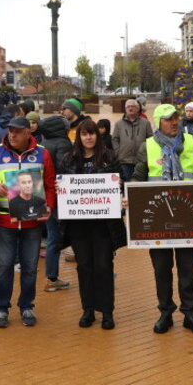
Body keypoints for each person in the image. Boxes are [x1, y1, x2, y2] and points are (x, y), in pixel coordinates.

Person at [133, 103, 193, 336]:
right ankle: (165, 312)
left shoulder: (192, 143)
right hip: (158, 223)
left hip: (189, 220)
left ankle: (190, 314)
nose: (174, 122)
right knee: (161, 269)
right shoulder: (147, 147)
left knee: (188, 269)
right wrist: (131, 198)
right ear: (158, 123)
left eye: (176, 118)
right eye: (168, 119)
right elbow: (137, 179)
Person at [0, 116, 56, 329]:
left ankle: (26, 305)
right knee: (4, 265)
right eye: (10, 131)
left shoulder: (42, 153)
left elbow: (50, 184)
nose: (12, 135)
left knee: (30, 267)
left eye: (17, 131)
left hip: (32, 222)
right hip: (5, 220)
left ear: (28, 133)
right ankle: (1, 308)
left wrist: (50, 206)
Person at [61, 119, 124, 330]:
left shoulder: (109, 157)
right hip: (78, 224)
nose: (88, 137)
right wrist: (59, 188)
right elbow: (63, 187)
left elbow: (119, 183)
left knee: (104, 266)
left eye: (92, 134)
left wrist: (120, 187)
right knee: (85, 266)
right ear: (78, 137)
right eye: (84, 134)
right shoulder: (68, 159)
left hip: (103, 223)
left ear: (97, 135)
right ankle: (87, 309)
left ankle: (107, 311)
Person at [37, 114, 72, 292]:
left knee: (52, 236)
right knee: (59, 236)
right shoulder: (63, 143)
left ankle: (51, 276)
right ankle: (52, 278)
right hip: (61, 197)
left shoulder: (43, 143)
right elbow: (66, 168)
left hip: (46, 195)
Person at [113, 99, 152, 182]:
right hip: (125, 160)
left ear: (137, 108)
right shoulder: (118, 124)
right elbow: (115, 139)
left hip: (141, 161)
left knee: (140, 186)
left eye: (132, 106)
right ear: (125, 109)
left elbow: (150, 139)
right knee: (126, 185)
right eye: (128, 107)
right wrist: (118, 152)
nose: (130, 108)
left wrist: (147, 154)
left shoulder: (146, 123)